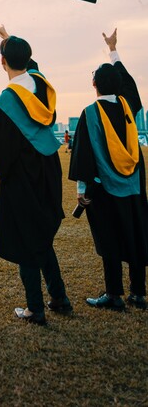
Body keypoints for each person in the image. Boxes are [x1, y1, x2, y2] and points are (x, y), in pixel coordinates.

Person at [0, 24, 72, 326]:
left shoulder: (9, 101)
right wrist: (9, 40)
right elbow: (30, 65)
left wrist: (5, 168)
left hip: (23, 174)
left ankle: (35, 308)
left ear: (2, 62)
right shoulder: (41, 84)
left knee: (25, 238)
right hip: (48, 166)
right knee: (42, 235)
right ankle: (59, 297)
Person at [69, 28, 148, 311]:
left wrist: (81, 190)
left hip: (103, 188)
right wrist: (113, 50)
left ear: (94, 84)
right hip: (134, 185)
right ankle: (138, 293)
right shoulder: (129, 107)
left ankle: (114, 294)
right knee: (137, 233)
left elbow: (83, 156)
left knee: (109, 236)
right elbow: (129, 84)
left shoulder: (90, 114)